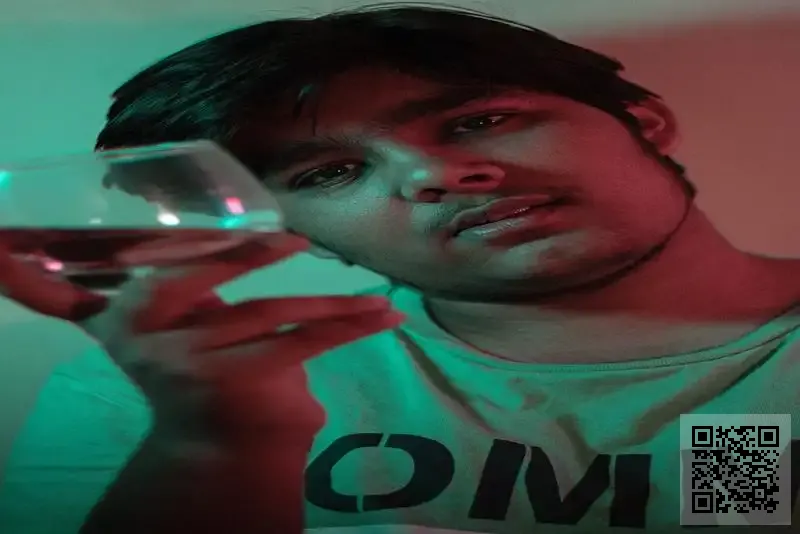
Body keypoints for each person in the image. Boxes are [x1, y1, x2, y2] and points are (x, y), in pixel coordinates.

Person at [1, 3, 799, 533]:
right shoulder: (156, 395)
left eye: (480, 121)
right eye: (328, 174)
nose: (435, 175)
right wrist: (217, 444)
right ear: (299, 234)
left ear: (646, 125)